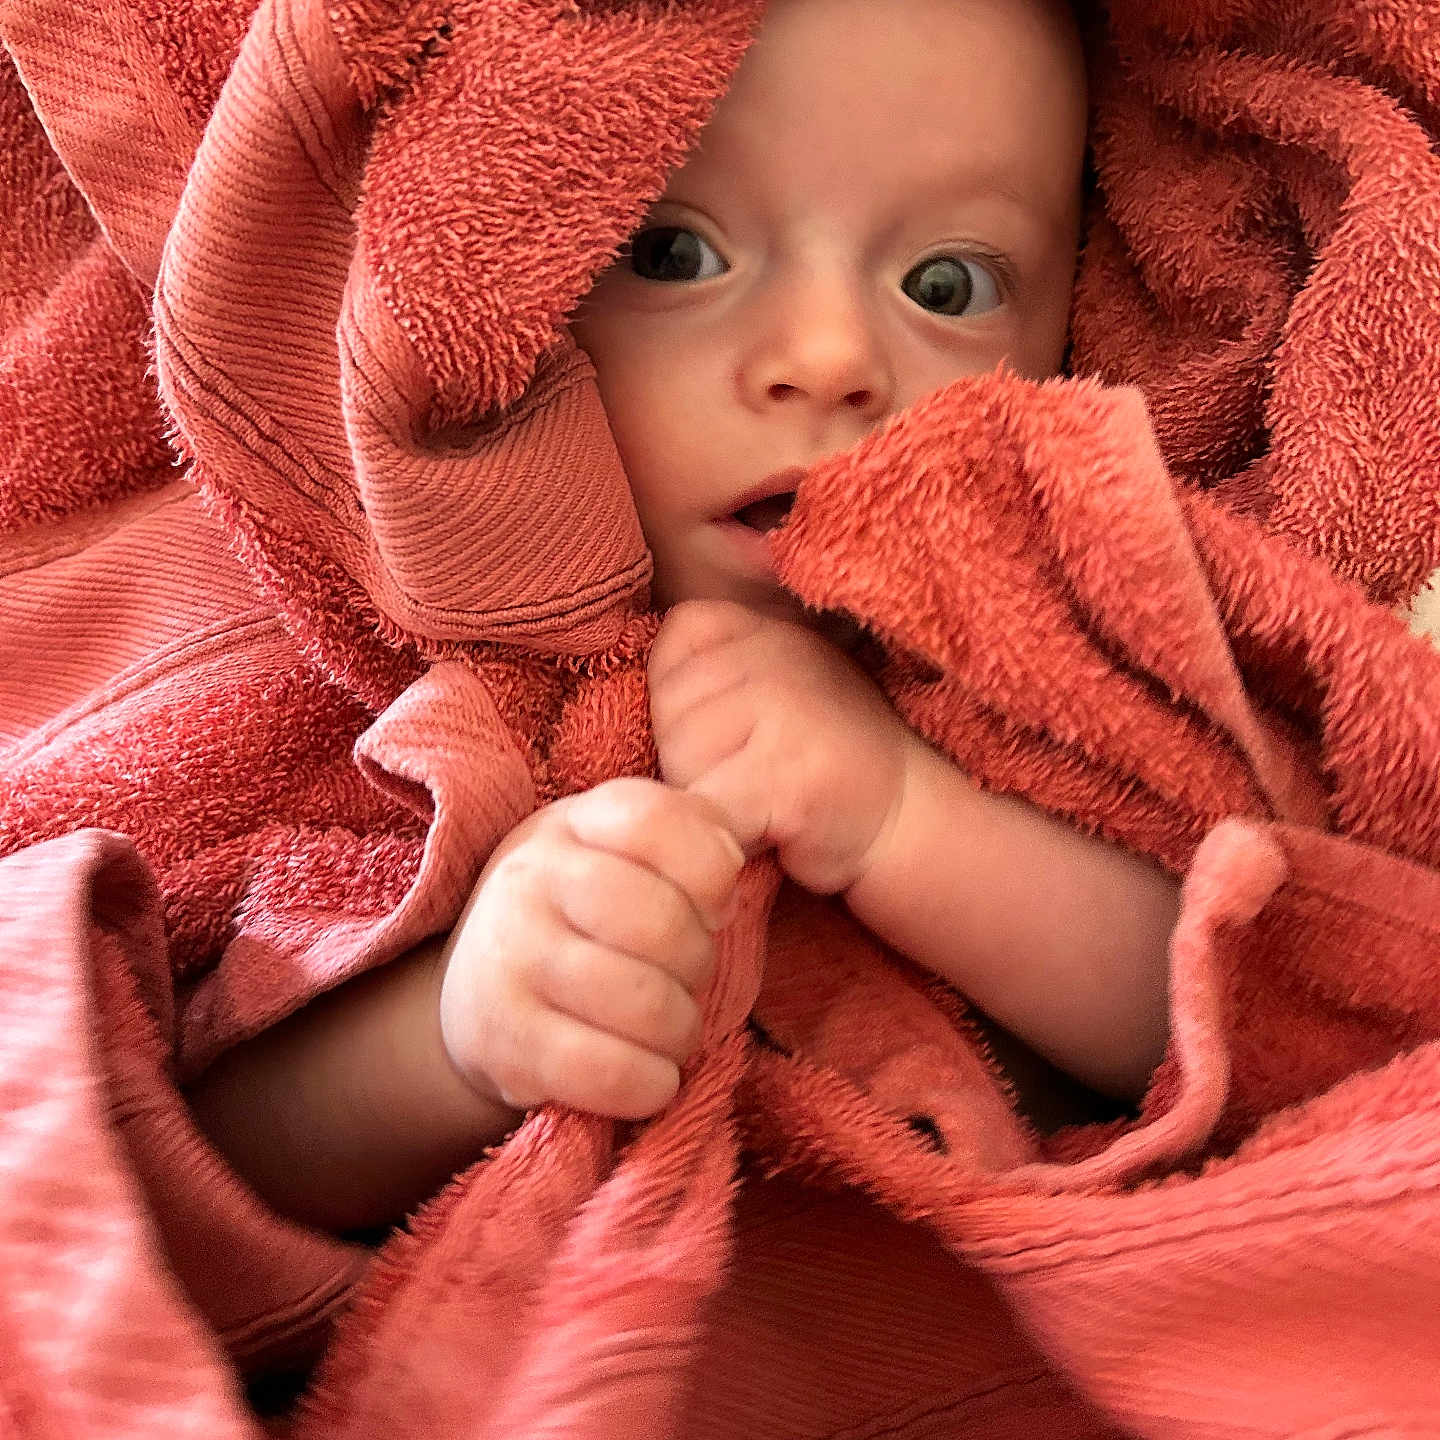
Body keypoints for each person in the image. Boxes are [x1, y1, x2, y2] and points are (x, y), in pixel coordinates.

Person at [189, 0, 1180, 1231]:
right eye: (674, 255)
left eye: (948, 283)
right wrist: (458, 1035)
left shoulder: (1054, 657)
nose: (828, 357)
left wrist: (906, 821)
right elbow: (191, 1167)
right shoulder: (379, 693)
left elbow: (1225, 1003)